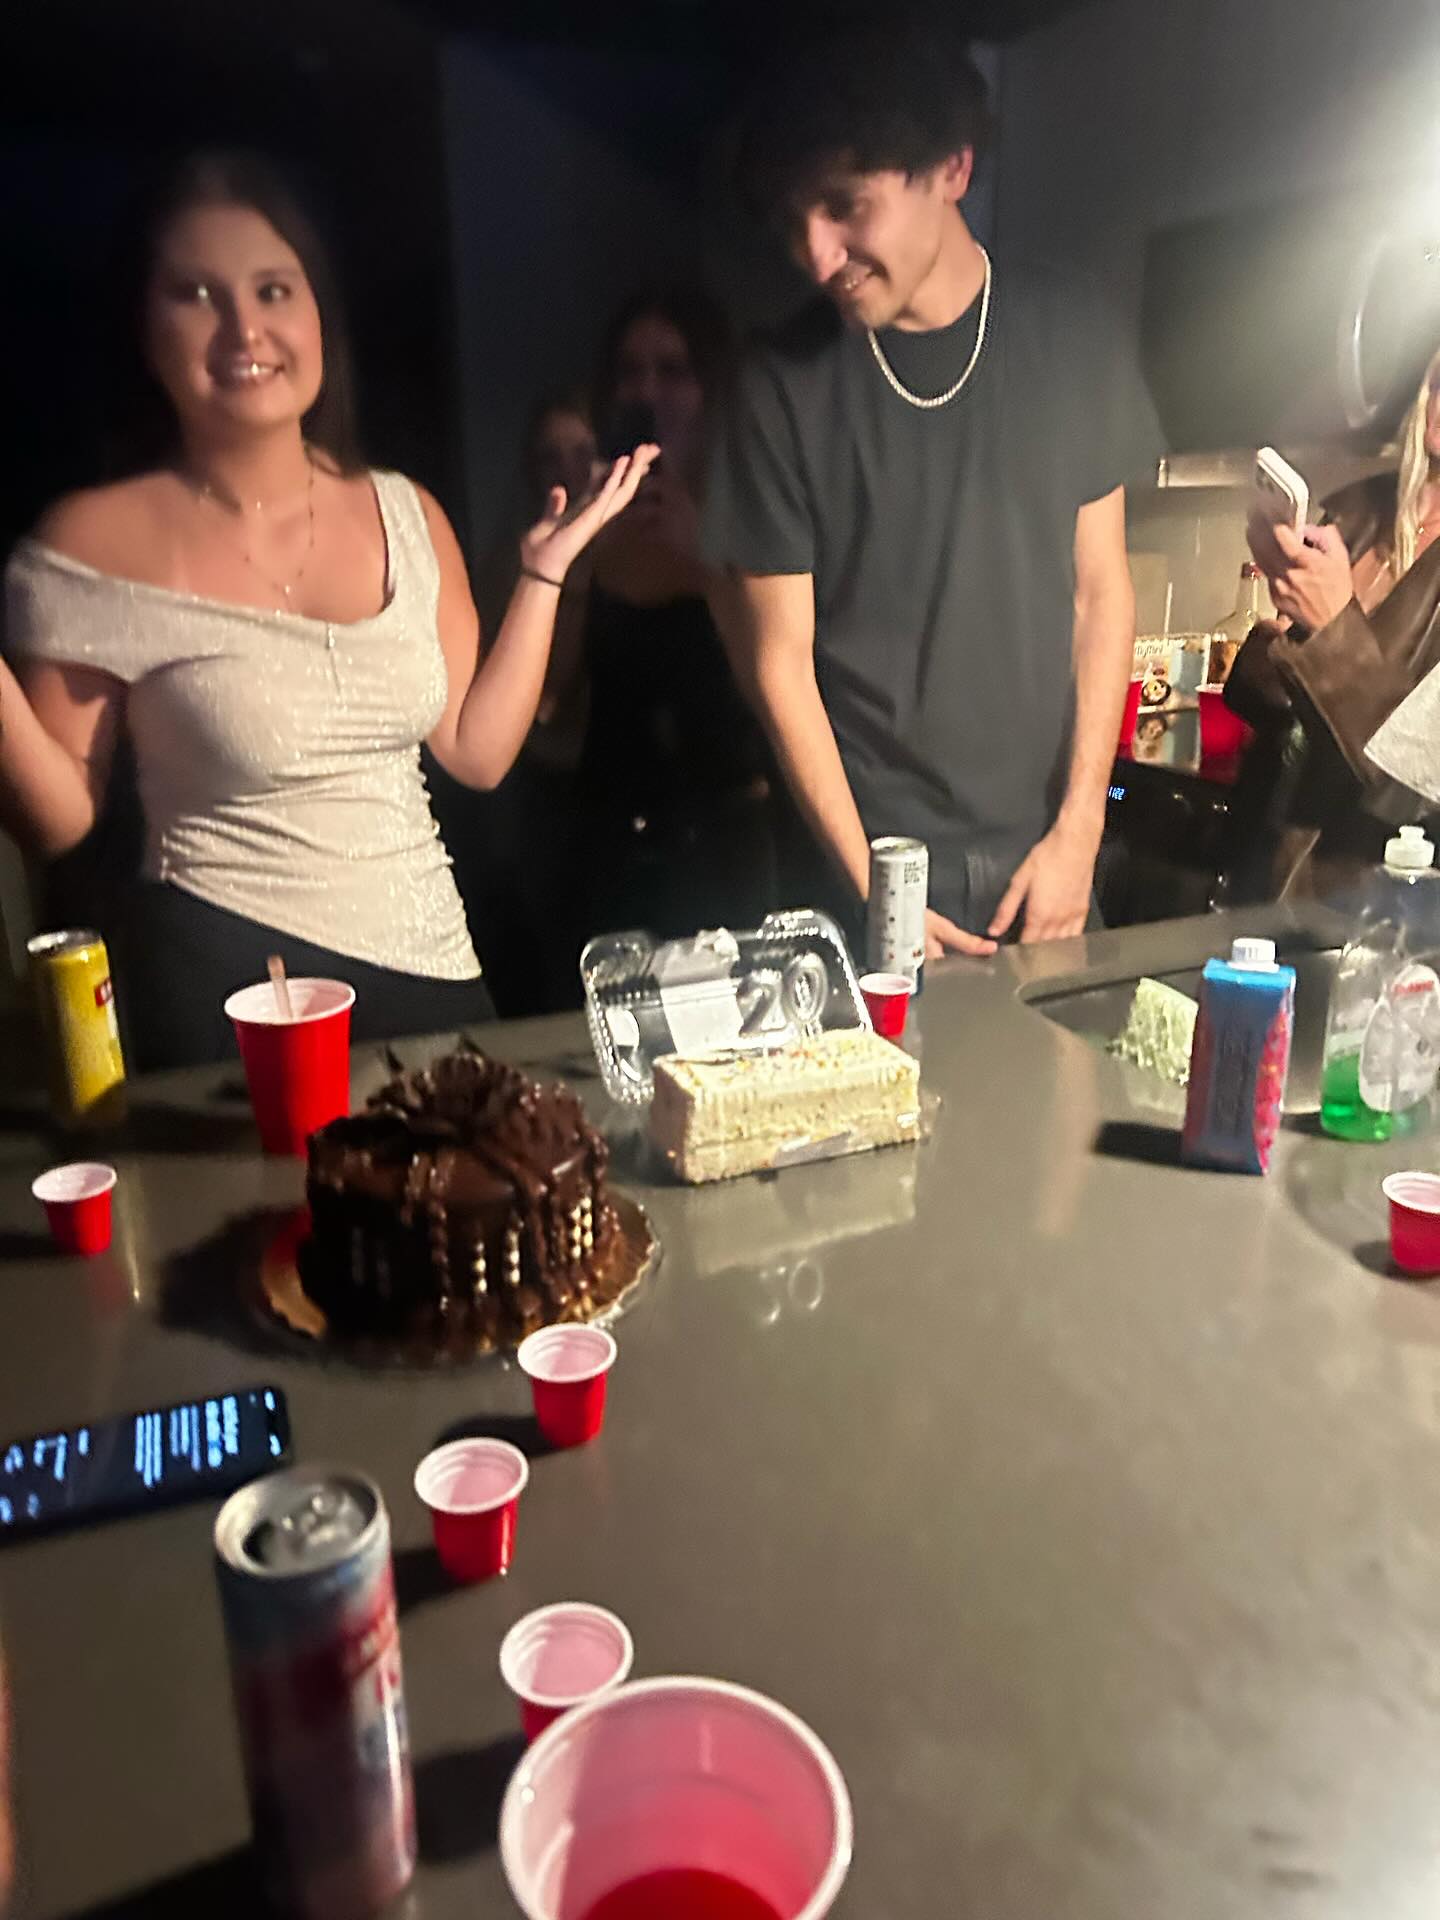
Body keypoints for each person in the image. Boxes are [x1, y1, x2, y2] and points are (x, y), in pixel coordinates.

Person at [0, 152, 654, 1069]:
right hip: (225, 988)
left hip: (431, 966)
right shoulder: (89, 544)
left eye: (273, 290)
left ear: (318, 316)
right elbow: (59, 818)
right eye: (195, 294)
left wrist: (544, 574)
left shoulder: (407, 513)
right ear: (145, 331)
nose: (243, 327)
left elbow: (476, 751)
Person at [703, 24, 1158, 958]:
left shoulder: (1071, 336)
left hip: (1048, 864)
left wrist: (1082, 831)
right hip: (865, 875)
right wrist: (877, 890)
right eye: (795, 221)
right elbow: (780, 664)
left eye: (845, 206)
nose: (816, 255)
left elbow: (1101, 592)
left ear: (953, 167)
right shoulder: (778, 386)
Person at [545, 288, 779, 941]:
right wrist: (577, 562)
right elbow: (547, 702)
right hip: (611, 845)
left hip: (731, 843)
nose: (647, 390)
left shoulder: (756, 515)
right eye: (630, 371)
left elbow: (782, 687)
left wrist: (706, 559)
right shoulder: (596, 525)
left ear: (713, 387)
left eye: (673, 370)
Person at [1228, 343, 1440, 898]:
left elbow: (1421, 779)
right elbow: (1280, 713)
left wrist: (1329, 632)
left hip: (1371, 894)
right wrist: (1280, 635)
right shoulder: (1361, 507)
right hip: (1265, 862)